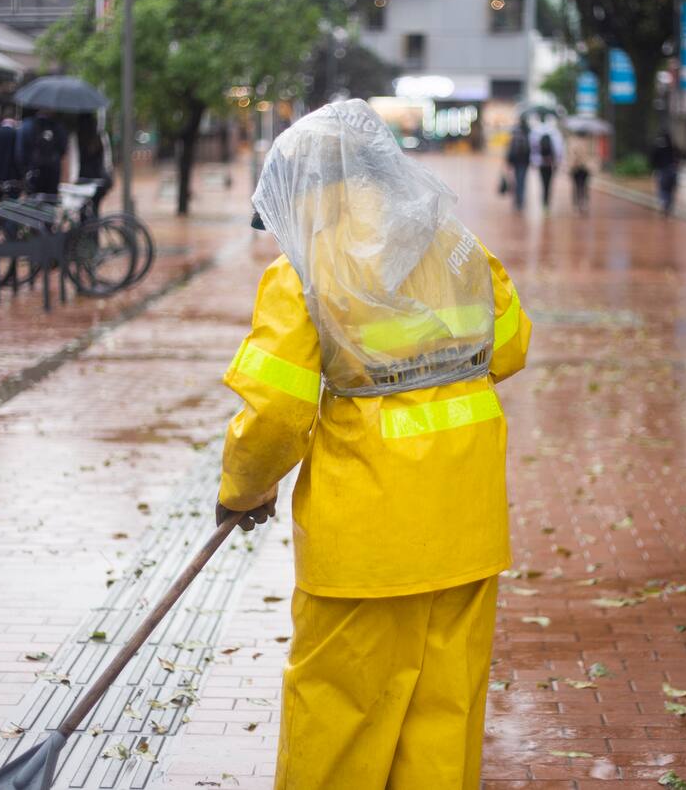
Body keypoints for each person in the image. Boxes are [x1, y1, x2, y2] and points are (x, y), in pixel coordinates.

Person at [215, 100, 533, 790]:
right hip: (468, 525)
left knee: (339, 724)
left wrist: (243, 489)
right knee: (443, 723)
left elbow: (274, 412)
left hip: (366, 541)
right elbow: (509, 350)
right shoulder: (459, 248)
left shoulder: (303, 271)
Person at [66, 113, 114, 214]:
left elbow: (74, 158)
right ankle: (94, 228)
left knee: (82, 210)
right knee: (96, 209)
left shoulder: (75, 135)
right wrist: (108, 172)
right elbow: (107, 158)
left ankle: (86, 228)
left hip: (82, 179)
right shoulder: (100, 136)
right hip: (99, 179)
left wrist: (72, 179)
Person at [17, 108, 67, 197]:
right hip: (52, 174)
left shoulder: (27, 125)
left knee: (32, 203)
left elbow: (20, 153)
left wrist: (24, 171)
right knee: (50, 203)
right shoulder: (59, 127)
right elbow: (63, 150)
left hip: (33, 171)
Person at [529, 117, 563, 209]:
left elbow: (533, 148)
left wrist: (534, 161)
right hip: (551, 163)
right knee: (549, 183)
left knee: (543, 182)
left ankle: (543, 201)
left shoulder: (536, 132)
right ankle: (547, 202)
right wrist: (558, 161)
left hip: (541, 162)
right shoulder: (554, 132)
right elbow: (559, 149)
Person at [650, 131, 679, 217]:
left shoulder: (658, 147)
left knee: (663, 189)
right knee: (670, 190)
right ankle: (668, 207)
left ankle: (664, 204)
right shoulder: (673, 147)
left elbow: (653, 159)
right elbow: (678, 157)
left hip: (662, 171)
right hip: (672, 170)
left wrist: (654, 167)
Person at [566, 129, 595, 215]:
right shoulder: (590, 142)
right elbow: (593, 155)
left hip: (575, 167)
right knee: (584, 185)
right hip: (585, 167)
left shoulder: (572, 141)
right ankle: (584, 203)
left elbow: (570, 154)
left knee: (576, 186)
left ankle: (576, 204)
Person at [505, 116, 531, 209]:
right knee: (522, 180)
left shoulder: (515, 132)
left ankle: (517, 199)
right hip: (524, 161)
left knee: (516, 179)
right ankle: (521, 199)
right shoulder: (528, 132)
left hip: (515, 160)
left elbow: (510, 147)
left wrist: (508, 160)